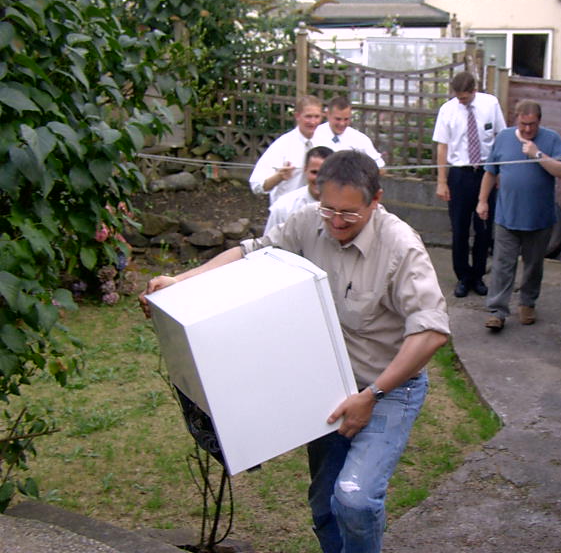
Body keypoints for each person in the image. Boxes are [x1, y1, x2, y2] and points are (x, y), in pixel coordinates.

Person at [140, 150, 450, 553]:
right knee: (324, 504)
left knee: (354, 499)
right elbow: (251, 252)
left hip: (389, 388)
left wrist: (372, 395)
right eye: (329, 209)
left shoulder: (402, 247)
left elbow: (431, 332)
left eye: (349, 213)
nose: (336, 222)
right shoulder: (309, 221)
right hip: (331, 383)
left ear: (376, 199)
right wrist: (182, 280)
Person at [477, 99, 561, 332]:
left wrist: (536, 153)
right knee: (502, 265)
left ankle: (527, 303)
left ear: (539, 121)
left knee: (533, 266)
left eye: (532, 124)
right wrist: (482, 201)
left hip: (539, 219)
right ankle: (497, 311)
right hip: (507, 216)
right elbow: (490, 172)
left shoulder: (551, 139)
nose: (528, 129)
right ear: (516, 120)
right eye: (523, 124)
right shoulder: (504, 138)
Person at [433, 71, 506, 298]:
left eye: (464, 97)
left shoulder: (491, 104)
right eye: (458, 97)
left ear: (474, 90)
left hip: (485, 173)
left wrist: (499, 173)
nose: (461, 101)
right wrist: (442, 181)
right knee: (460, 229)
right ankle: (463, 277)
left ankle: (478, 276)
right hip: (460, 174)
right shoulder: (447, 110)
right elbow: (442, 147)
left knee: (483, 229)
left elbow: (501, 138)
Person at [248, 95, 323, 207]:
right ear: (297, 116)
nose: (313, 122)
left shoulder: (325, 142)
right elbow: (256, 185)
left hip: (316, 211)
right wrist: (278, 177)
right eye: (308, 116)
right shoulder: (282, 145)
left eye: (317, 117)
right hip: (287, 212)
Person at [262, 145, 333, 235]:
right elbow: (269, 241)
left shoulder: (344, 207)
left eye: (326, 173)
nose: (319, 178)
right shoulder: (284, 206)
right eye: (314, 172)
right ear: (305, 170)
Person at [312, 96, 386, 169]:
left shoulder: (360, 139)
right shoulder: (314, 134)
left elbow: (380, 166)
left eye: (346, 119)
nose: (342, 123)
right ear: (328, 114)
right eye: (338, 119)